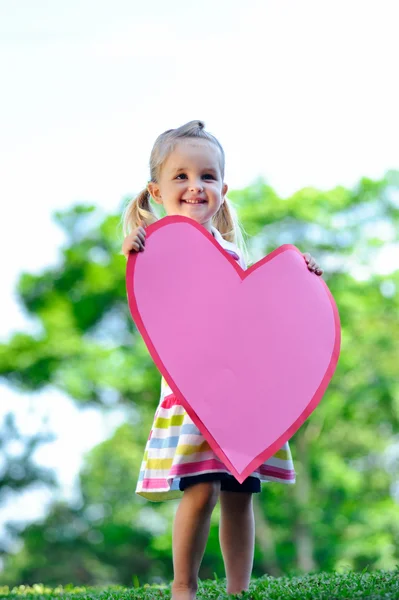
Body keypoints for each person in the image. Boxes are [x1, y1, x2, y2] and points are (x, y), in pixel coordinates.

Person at [121, 120, 323, 600]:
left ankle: (238, 591)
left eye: (208, 177)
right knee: (201, 489)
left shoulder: (235, 254)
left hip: (244, 396)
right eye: (182, 177)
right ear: (157, 191)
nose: (196, 186)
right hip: (195, 393)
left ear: (223, 188)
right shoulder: (156, 248)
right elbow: (151, 301)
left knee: (240, 494)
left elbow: (262, 316)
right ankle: (182, 587)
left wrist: (303, 277)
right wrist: (132, 251)